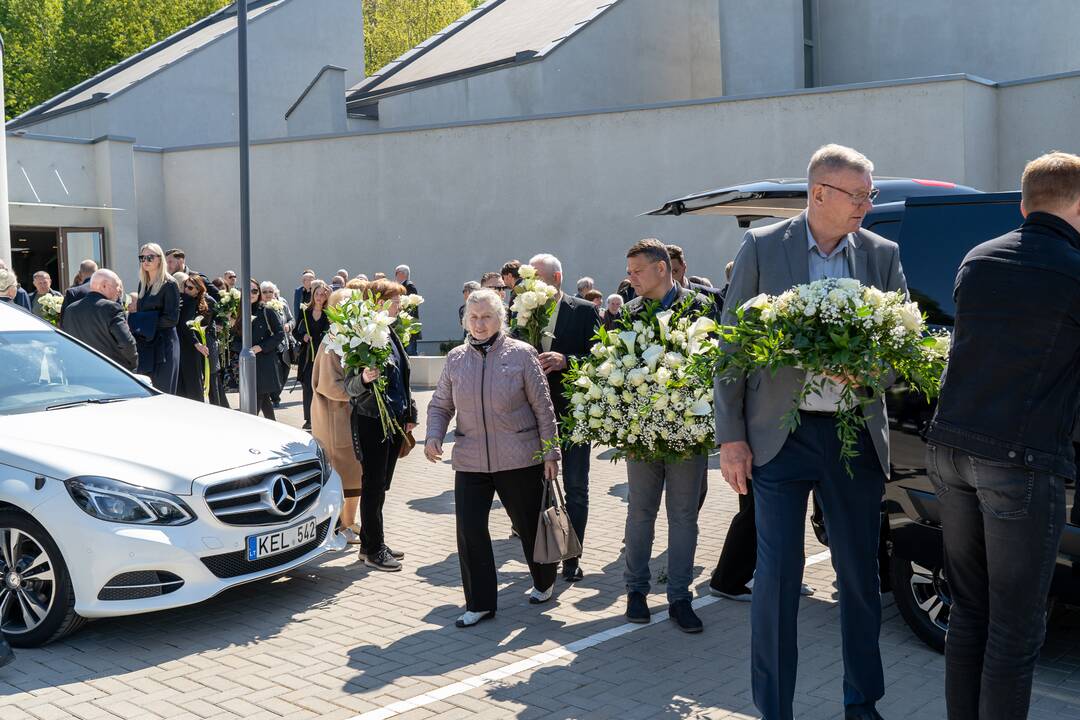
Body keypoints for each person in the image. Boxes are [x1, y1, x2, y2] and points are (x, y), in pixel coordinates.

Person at [715, 144, 906, 720]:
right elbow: (731, 347)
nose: (867, 206)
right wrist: (731, 437)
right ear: (819, 192)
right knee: (776, 578)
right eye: (859, 194)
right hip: (779, 438)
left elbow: (901, 347)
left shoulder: (881, 254)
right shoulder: (763, 247)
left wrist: (870, 371)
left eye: (870, 194)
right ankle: (775, 707)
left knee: (859, 575)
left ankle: (862, 703)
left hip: (854, 436)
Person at [923, 152, 1080, 720]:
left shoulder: (978, 259)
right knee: (1015, 631)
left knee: (969, 613)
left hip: (950, 449)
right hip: (1016, 462)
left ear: (1023, 203)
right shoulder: (1073, 268)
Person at [425, 288, 561, 627]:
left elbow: (543, 407)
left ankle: (544, 580)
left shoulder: (522, 354)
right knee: (470, 532)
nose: (480, 323)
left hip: (519, 457)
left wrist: (551, 452)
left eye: (486, 316)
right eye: (473, 317)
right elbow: (441, 404)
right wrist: (433, 435)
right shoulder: (456, 358)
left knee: (530, 526)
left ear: (500, 318)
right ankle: (480, 603)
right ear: (465, 321)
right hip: (471, 459)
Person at [620, 239, 713, 634]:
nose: (631, 278)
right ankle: (636, 592)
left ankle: (679, 597)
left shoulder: (701, 307)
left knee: (683, 517)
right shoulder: (629, 313)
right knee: (640, 513)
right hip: (642, 434)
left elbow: (714, 362)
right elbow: (615, 366)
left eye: (637, 271)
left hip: (687, 434)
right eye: (629, 272)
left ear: (662, 268)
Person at [527, 253, 600, 582]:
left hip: (573, 415)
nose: (532, 284)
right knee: (538, 489)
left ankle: (573, 556)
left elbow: (601, 359)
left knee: (575, 489)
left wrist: (566, 360)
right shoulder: (525, 313)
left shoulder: (583, 311)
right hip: (534, 418)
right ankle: (547, 555)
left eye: (538, 278)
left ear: (556, 279)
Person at [342, 278, 418, 572]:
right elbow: (348, 386)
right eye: (395, 300)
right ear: (377, 302)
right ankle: (373, 548)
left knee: (381, 486)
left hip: (394, 420)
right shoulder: (361, 336)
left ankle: (372, 543)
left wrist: (409, 413)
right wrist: (363, 380)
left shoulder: (390, 333)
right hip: (371, 420)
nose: (400, 305)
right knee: (372, 485)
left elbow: (403, 379)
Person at [311, 288, 364, 545]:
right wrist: (361, 388)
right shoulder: (333, 340)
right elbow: (329, 385)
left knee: (353, 472)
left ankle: (349, 521)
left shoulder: (348, 336)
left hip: (346, 415)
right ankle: (343, 525)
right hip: (336, 417)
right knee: (345, 472)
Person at [60, 270, 137, 370]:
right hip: (111, 371)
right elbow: (126, 343)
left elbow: (66, 343)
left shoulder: (70, 309)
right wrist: (133, 365)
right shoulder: (112, 308)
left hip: (79, 371)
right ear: (104, 285)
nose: (119, 291)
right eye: (117, 286)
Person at [133, 244, 181, 393]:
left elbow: (172, 318)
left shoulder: (170, 283)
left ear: (160, 260)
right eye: (142, 257)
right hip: (147, 344)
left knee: (163, 390)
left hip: (164, 344)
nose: (145, 261)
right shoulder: (143, 283)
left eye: (150, 257)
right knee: (147, 391)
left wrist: (144, 323)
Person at [294, 280, 331, 430]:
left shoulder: (329, 314)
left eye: (323, 295)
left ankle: (322, 417)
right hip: (308, 356)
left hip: (324, 356)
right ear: (313, 294)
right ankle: (309, 419)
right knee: (308, 387)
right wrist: (302, 337)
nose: (320, 297)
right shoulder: (305, 312)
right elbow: (295, 331)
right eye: (317, 294)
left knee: (322, 387)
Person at [249, 278, 286, 419]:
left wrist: (261, 347)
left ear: (258, 293)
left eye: (254, 291)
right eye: (248, 290)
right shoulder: (239, 311)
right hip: (247, 362)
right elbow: (235, 338)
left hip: (265, 361)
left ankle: (249, 429)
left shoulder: (267, 311)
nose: (252, 294)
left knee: (258, 397)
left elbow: (280, 334)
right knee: (263, 399)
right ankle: (273, 425)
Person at [175, 274, 215, 402]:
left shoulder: (203, 302)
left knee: (194, 380)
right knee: (189, 382)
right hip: (187, 345)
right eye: (185, 286)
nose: (186, 290)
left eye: (190, 288)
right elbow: (185, 325)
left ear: (199, 289)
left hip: (194, 346)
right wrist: (197, 343)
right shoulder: (185, 301)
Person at [667, 244, 724, 320]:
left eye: (674, 271)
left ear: (684, 267)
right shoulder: (654, 301)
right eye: (666, 273)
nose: (671, 278)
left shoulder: (713, 295)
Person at [395, 264, 421, 355]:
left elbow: (411, 308)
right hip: (404, 325)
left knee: (411, 353)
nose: (395, 276)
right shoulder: (403, 286)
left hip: (409, 325)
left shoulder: (409, 286)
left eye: (396, 273)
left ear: (403, 274)